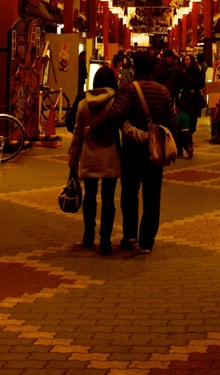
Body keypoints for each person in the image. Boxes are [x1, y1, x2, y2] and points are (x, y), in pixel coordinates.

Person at [89, 50, 177, 255]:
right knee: (152, 195)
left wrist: (94, 129)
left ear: (135, 68)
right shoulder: (163, 91)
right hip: (155, 150)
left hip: (132, 149)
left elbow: (116, 114)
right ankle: (147, 241)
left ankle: (130, 235)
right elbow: (171, 121)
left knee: (129, 192)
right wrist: (172, 146)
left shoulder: (128, 89)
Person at [67, 86, 122, 254]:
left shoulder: (83, 104)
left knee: (89, 197)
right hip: (110, 157)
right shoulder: (116, 104)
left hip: (89, 155)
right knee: (108, 200)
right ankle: (105, 240)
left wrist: (73, 159)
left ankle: (88, 235)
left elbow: (77, 133)